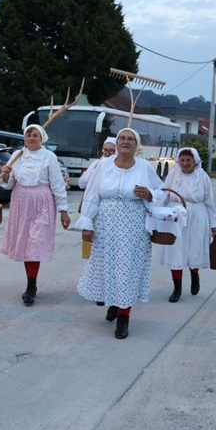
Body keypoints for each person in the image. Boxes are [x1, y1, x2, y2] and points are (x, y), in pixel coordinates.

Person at [76, 128, 166, 339]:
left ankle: (124, 317)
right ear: (116, 143)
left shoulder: (144, 167)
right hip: (106, 226)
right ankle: (114, 304)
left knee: (126, 270)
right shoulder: (103, 165)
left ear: (137, 145)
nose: (126, 142)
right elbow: (91, 195)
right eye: (122, 138)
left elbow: (162, 192)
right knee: (109, 267)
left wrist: (149, 193)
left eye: (130, 139)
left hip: (133, 228)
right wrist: (87, 223)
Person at [0, 124, 70, 306]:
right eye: (28, 134)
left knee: (35, 242)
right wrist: (5, 175)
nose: (31, 138)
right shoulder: (17, 156)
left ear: (42, 137)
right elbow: (8, 185)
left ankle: (31, 285)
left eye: (35, 135)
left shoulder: (49, 157)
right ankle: (31, 284)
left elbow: (57, 184)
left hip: (42, 203)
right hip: (21, 203)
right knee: (26, 244)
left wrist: (63, 210)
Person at [157, 148, 216, 303]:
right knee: (175, 251)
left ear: (195, 161)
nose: (185, 163)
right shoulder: (172, 175)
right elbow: (164, 195)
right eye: (182, 160)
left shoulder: (203, 177)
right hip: (175, 217)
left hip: (197, 217)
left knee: (194, 249)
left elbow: (209, 202)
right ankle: (177, 288)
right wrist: (158, 214)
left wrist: (213, 225)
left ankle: (194, 275)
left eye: (188, 160)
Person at [79, 137, 116, 306]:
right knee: (96, 253)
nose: (108, 154)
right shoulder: (98, 164)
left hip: (114, 216)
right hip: (95, 211)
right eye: (106, 150)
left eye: (111, 151)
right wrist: (93, 174)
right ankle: (99, 288)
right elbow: (81, 183)